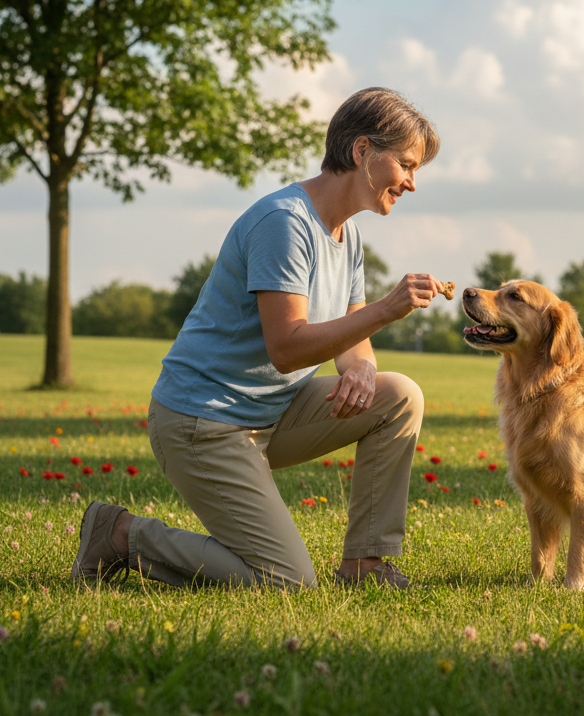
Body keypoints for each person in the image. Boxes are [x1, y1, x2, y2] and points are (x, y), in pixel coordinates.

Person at [70, 87, 445, 589]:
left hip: (270, 412)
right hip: (203, 421)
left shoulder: (347, 236)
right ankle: (120, 535)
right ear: (362, 152)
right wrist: (387, 308)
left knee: (399, 396)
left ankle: (366, 564)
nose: (412, 183)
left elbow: (352, 340)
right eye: (406, 164)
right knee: (287, 583)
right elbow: (287, 347)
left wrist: (361, 366)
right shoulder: (284, 223)